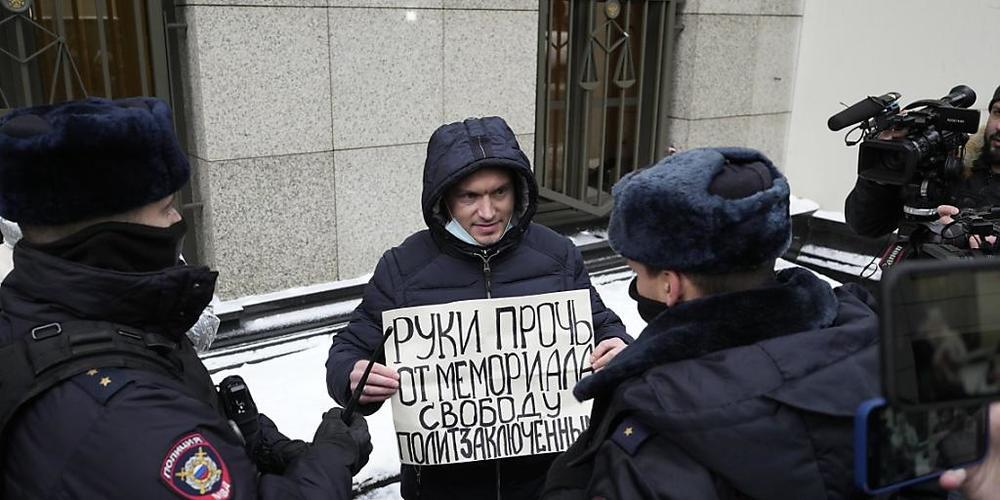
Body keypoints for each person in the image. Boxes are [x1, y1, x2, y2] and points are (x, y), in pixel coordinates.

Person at [0, 97, 371, 499]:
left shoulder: (66, 312)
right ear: (106, 237)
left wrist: (264, 446)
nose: (178, 220)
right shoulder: (124, 415)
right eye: (166, 207)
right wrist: (331, 460)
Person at [543, 147, 881, 498]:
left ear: (670, 285)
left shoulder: (657, 424)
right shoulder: (869, 334)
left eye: (636, 271)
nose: (635, 285)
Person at [325, 116, 632, 499]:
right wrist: (352, 376)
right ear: (445, 199)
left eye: (499, 193)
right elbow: (348, 350)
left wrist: (619, 349)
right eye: (470, 196)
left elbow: (604, 328)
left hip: (549, 483)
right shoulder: (403, 267)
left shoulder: (557, 255)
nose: (487, 212)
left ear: (518, 191)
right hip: (443, 487)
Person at [845, 85, 1000, 238]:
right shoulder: (947, 161)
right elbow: (865, 225)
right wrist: (882, 171)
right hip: (911, 260)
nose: (999, 126)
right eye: (998, 113)